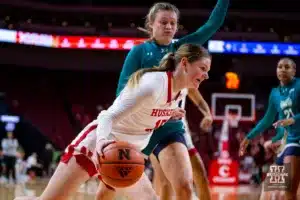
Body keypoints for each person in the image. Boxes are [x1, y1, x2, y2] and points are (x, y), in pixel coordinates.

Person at [14, 43, 211, 200]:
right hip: (98, 144)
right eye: (202, 68)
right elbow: (108, 116)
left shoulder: (180, 91)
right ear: (184, 64)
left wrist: (169, 114)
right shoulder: (152, 84)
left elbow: (149, 112)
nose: (206, 75)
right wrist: (102, 142)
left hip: (125, 154)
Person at [96, 1, 229, 200]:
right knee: (110, 187)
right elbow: (122, 93)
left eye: (172, 23)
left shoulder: (182, 49)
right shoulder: (139, 52)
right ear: (151, 24)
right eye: (163, 22)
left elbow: (211, 26)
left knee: (183, 185)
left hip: (168, 125)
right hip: (138, 125)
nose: (168, 27)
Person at [239, 58, 300, 200]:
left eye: (287, 67)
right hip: (286, 143)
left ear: (294, 71)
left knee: (289, 192)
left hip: (296, 141)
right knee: (266, 193)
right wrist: (248, 137)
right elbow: (267, 119)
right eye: (280, 67)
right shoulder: (275, 93)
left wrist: (293, 119)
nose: (283, 69)